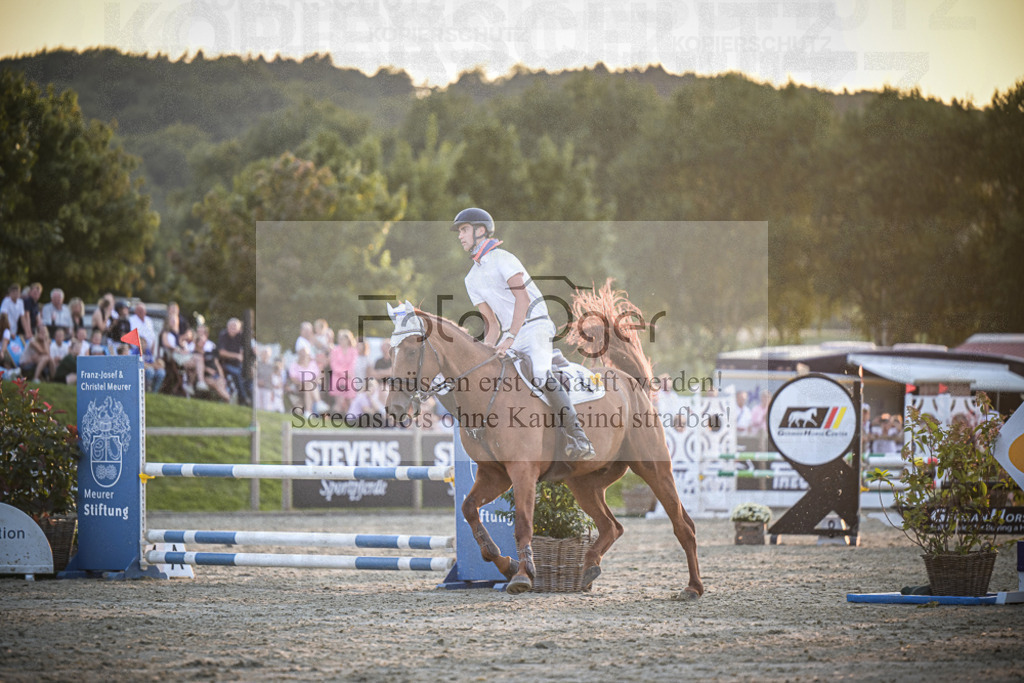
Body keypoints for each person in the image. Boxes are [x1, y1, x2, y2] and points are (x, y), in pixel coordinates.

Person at [452, 207, 594, 460]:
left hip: (535, 325)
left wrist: (509, 337)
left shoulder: (504, 259)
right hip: (510, 335)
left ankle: (578, 437)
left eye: (463, 230)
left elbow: (523, 298)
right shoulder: (470, 279)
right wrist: (483, 352)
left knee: (540, 374)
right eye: (460, 231)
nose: (460, 236)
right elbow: (491, 324)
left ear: (480, 230)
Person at [218, 317, 251, 406]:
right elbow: (221, 352)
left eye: (235, 327)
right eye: (231, 326)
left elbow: (245, 351)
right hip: (225, 364)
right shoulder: (223, 335)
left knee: (249, 374)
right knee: (238, 373)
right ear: (227, 327)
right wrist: (236, 356)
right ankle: (243, 398)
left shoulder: (240, 336)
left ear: (239, 329)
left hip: (239, 364)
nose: (233, 329)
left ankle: (250, 397)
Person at [328, 329, 359, 414]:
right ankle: (336, 415)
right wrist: (343, 373)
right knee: (339, 400)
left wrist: (348, 373)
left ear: (348, 340)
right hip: (337, 377)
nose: (342, 341)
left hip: (349, 377)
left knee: (350, 400)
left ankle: (351, 416)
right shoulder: (335, 350)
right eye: (340, 339)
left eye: (344, 339)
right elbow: (334, 365)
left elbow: (353, 364)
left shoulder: (353, 351)